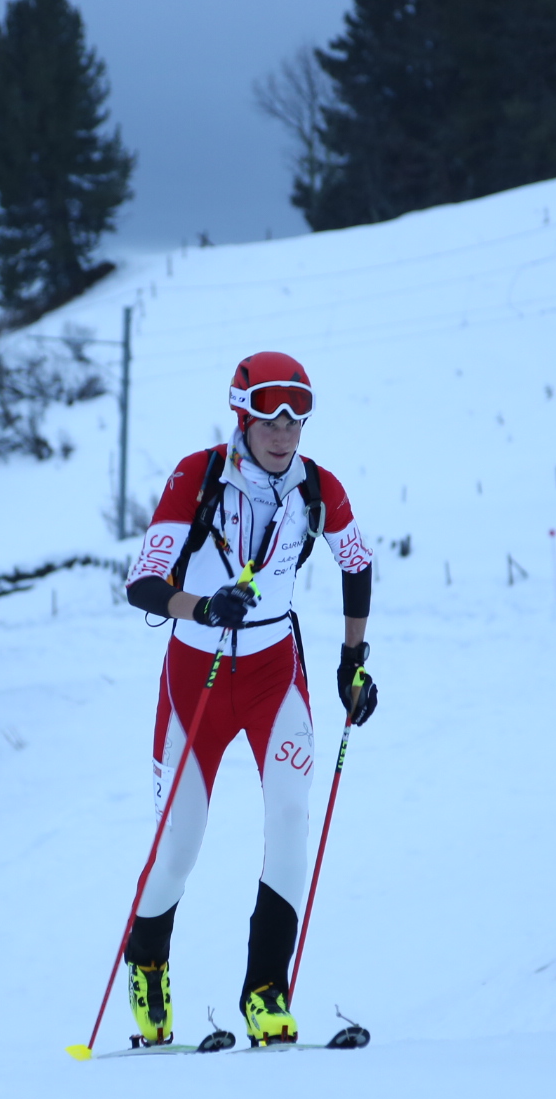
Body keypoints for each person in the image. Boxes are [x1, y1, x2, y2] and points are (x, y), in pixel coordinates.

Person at [121, 351, 379, 1047]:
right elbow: (142, 583)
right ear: (243, 416)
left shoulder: (317, 487)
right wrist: (203, 607)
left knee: (291, 821)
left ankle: (266, 992)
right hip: (196, 679)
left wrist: (352, 662)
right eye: (271, 419)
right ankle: (147, 964)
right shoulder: (198, 476)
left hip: (273, 675)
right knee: (179, 846)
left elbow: (357, 562)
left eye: (297, 419)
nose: (284, 433)